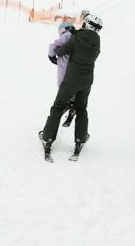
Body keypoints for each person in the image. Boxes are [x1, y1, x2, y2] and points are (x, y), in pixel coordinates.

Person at [40, 14, 103, 157]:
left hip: (70, 80)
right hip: (86, 81)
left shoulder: (77, 37)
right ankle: (80, 139)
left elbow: (60, 51)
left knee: (58, 107)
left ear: (86, 24)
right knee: (81, 109)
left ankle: (47, 137)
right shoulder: (97, 41)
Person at [48, 21, 78, 127]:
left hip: (63, 68)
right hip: (74, 68)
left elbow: (53, 46)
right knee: (73, 90)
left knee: (62, 88)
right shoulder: (76, 36)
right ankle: (72, 108)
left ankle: (64, 107)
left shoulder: (66, 35)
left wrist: (51, 57)